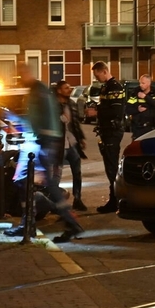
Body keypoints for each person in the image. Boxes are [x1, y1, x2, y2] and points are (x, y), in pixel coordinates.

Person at [5, 63, 83, 243]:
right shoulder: (37, 90)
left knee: (24, 180)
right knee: (38, 184)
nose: (19, 78)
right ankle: (42, 222)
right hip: (41, 141)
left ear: (27, 73)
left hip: (42, 143)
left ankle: (33, 223)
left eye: (21, 73)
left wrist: (12, 117)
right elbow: (35, 119)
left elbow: (44, 119)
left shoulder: (38, 90)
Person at [91, 61, 126, 213]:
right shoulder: (106, 87)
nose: (96, 78)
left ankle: (115, 200)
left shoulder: (115, 87)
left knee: (112, 168)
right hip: (107, 132)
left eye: (97, 75)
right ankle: (114, 199)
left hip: (112, 132)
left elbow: (115, 112)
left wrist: (97, 112)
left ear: (104, 71)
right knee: (109, 167)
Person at [56, 80, 87, 211]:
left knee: (77, 171)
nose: (69, 89)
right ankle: (55, 201)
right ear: (59, 91)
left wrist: (80, 138)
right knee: (56, 174)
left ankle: (77, 198)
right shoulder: (54, 106)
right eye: (66, 88)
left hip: (71, 143)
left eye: (69, 87)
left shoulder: (71, 104)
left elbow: (75, 123)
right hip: (59, 144)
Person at [126, 74, 155, 139]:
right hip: (138, 128)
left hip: (152, 128)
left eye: (143, 83)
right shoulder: (135, 93)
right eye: (140, 83)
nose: (140, 85)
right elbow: (127, 109)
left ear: (149, 83)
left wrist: (145, 97)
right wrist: (137, 109)